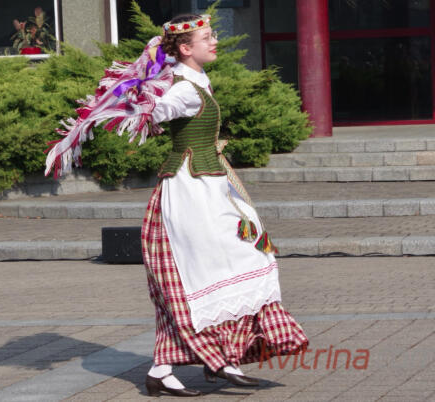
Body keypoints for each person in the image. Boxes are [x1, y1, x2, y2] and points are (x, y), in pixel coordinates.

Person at [45, 13, 308, 398]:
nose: (214, 41)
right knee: (216, 264)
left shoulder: (198, 79)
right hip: (190, 190)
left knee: (229, 261)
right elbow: (157, 110)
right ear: (186, 48)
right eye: (207, 37)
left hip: (209, 183)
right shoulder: (183, 89)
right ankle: (219, 357)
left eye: (213, 35)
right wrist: (138, 93)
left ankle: (169, 369)